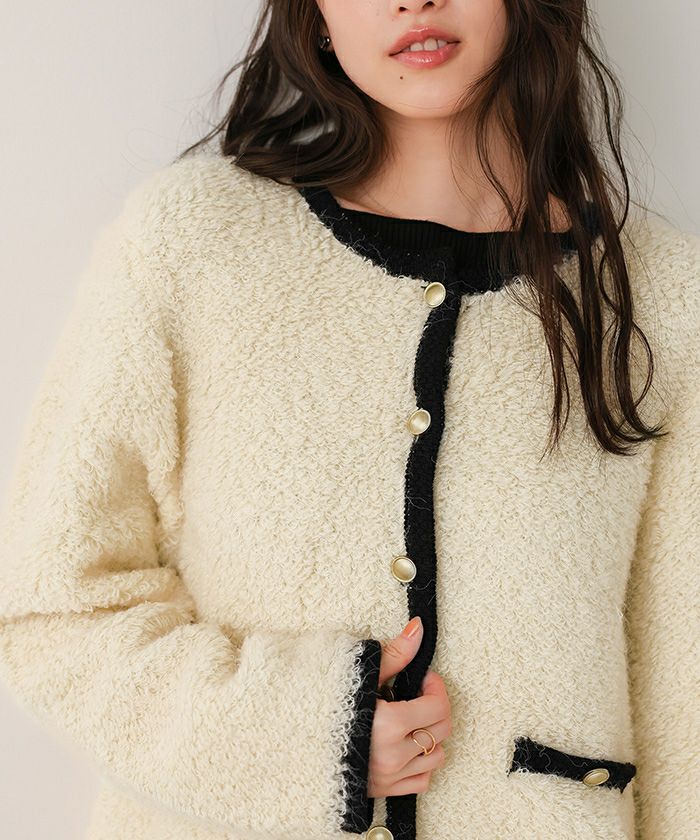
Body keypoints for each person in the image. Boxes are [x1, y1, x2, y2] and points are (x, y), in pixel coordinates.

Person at [0, 1, 698, 839]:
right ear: (318, 17)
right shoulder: (196, 243)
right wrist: (303, 739)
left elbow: (686, 695)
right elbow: (52, 609)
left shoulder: (662, 299)